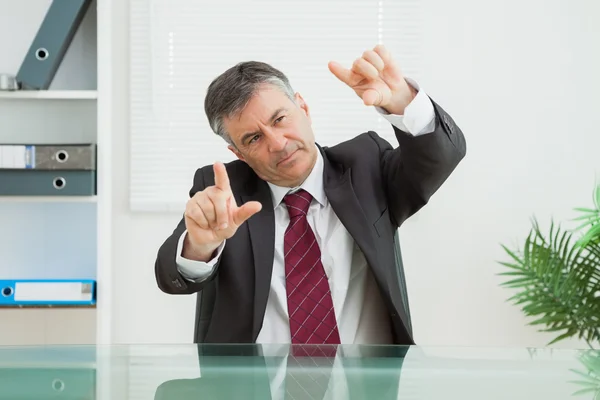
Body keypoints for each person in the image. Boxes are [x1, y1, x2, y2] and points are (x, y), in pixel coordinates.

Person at [155, 44, 466, 346]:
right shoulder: (224, 190)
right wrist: (200, 246)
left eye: (280, 119)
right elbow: (173, 276)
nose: (277, 143)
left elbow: (440, 157)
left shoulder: (366, 165)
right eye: (253, 138)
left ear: (303, 107)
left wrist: (405, 103)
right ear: (237, 153)